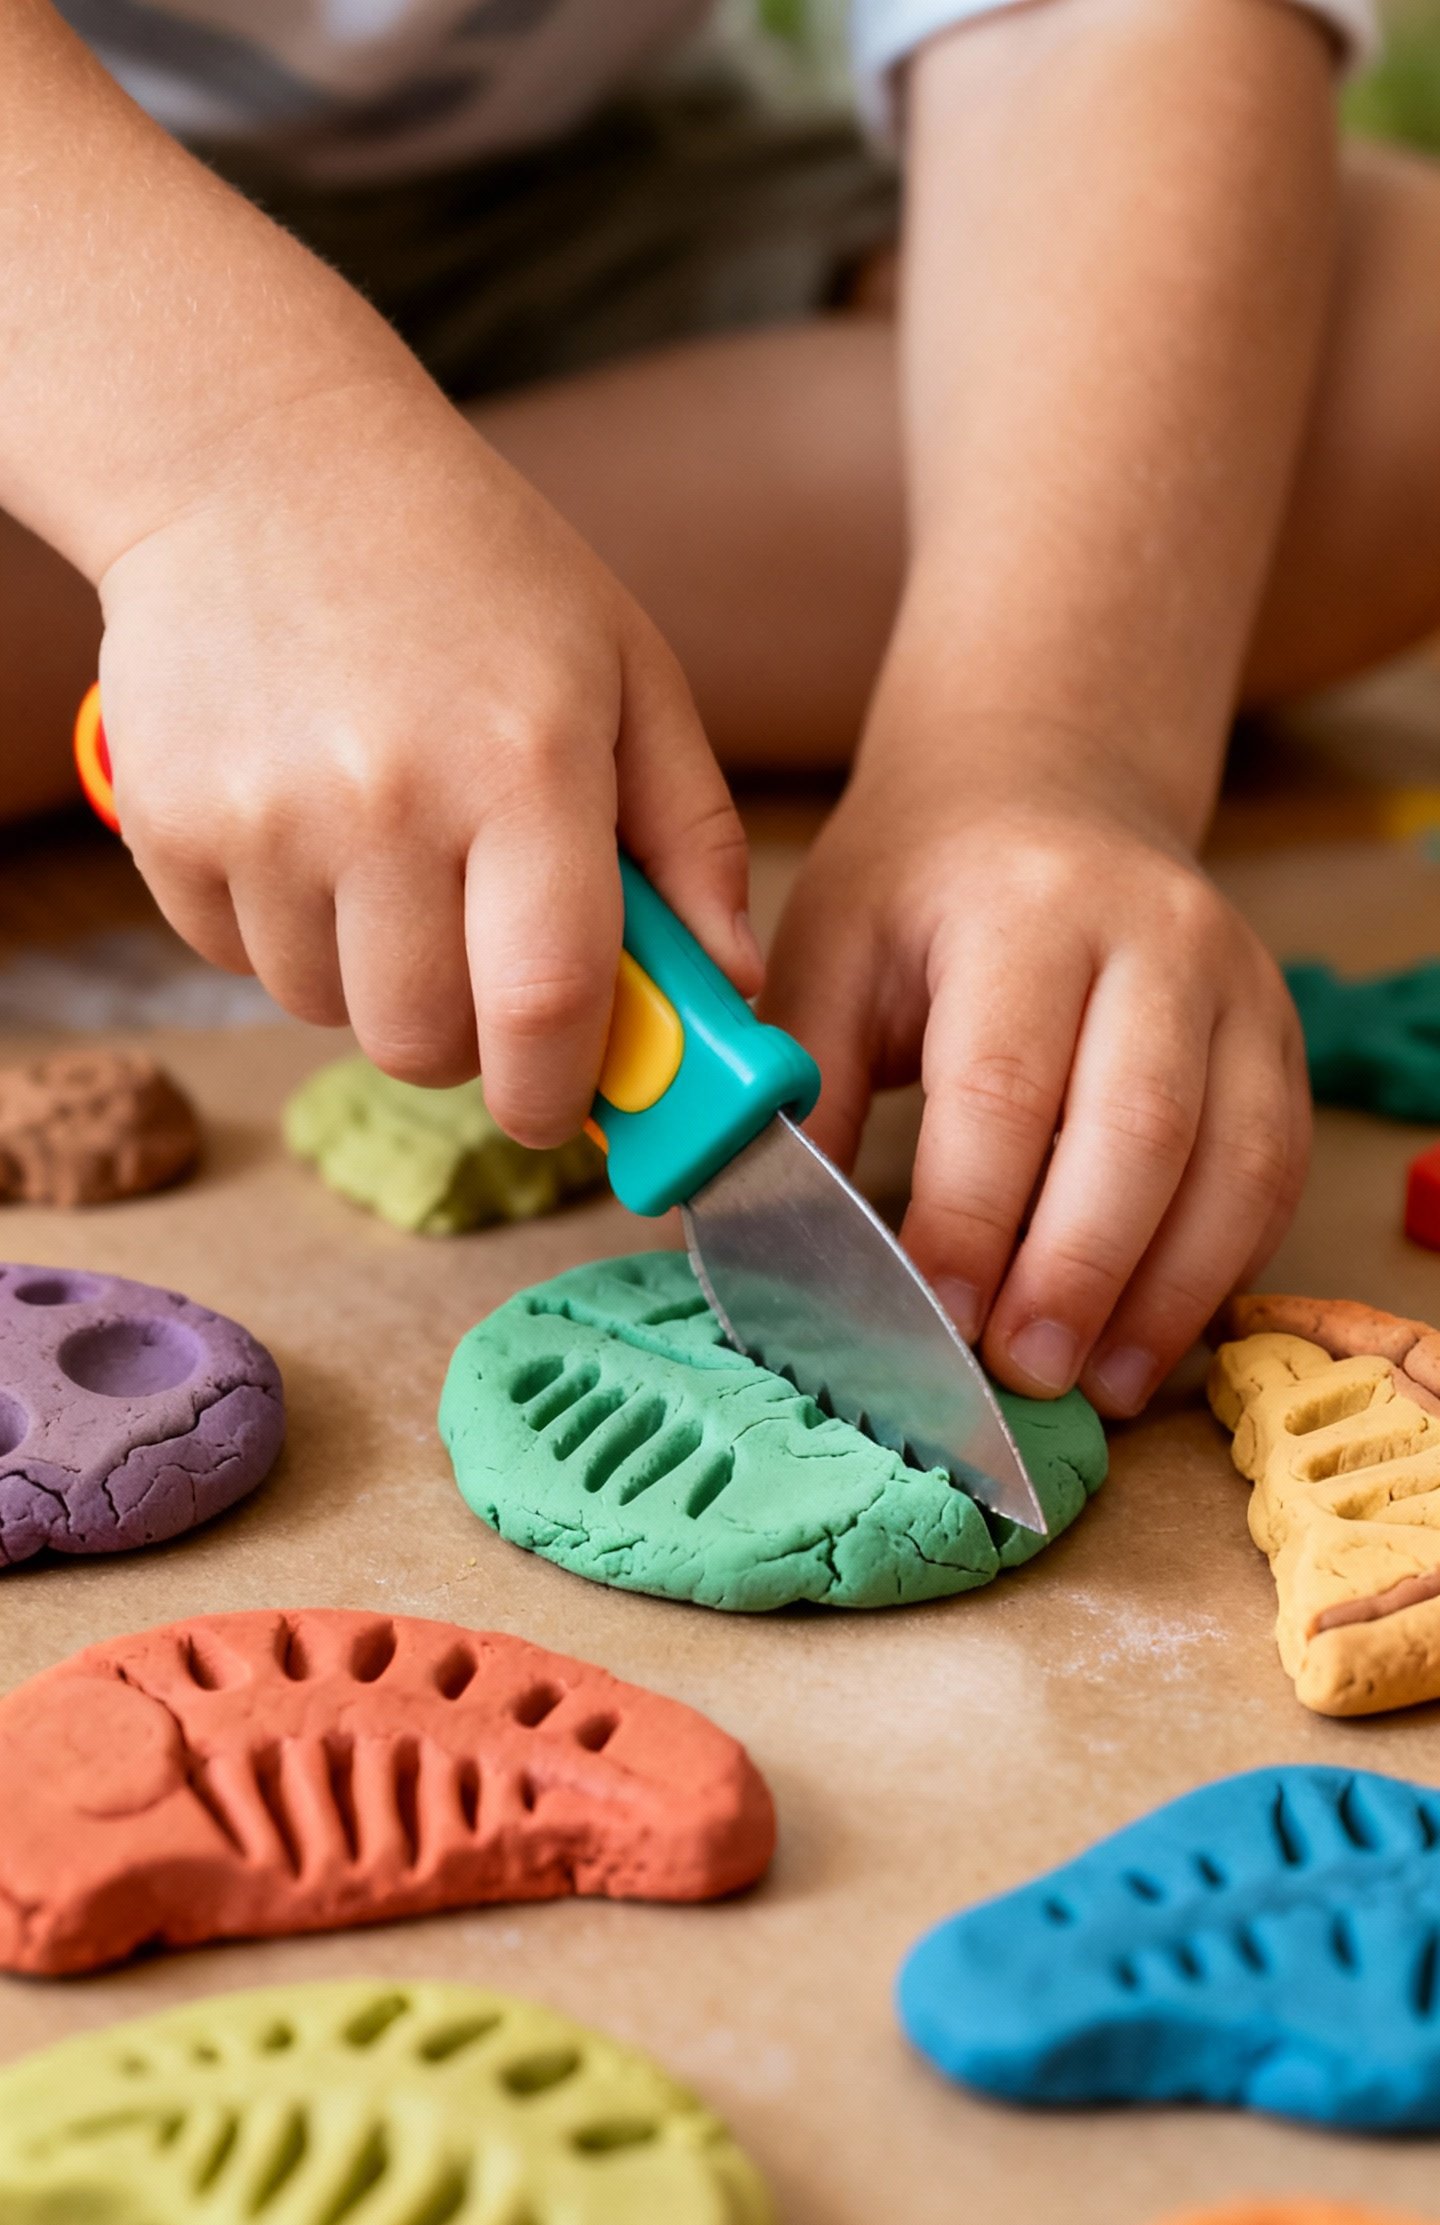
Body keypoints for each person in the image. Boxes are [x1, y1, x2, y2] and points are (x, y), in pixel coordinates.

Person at [2, 0, 1435, 1419]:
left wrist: (1046, 740)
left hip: (588, 206)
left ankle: (271, 617)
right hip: (66, 251)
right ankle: (174, 609)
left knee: (1407, 348)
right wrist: (243, 472)